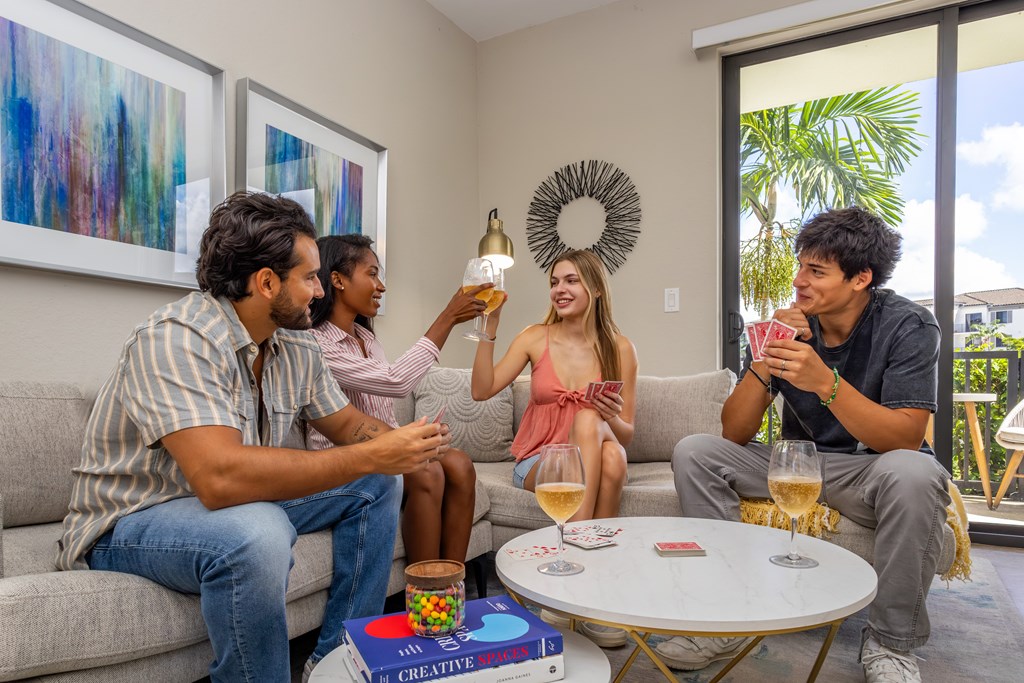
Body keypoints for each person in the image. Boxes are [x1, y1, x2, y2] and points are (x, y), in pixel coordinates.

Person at [56, 191, 450, 683]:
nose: (319, 291)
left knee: (379, 481)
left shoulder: (295, 341)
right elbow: (220, 479)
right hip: (131, 521)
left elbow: (348, 426)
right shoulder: (180, 337)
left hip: (226, 505)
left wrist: (405, 442)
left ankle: (336, 661)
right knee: (257, 533)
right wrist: (373, 453)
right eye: (309, 277)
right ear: (266, 282)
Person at [658, 206, 949, 683]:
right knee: (695, 450)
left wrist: (824, 382)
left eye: (816, 271)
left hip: (873, 471)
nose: (798, 280)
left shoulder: (909, 325)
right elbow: (733, 434)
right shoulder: (787, 329)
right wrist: (765, 360)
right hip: (797, 466)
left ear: (860, 278)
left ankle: (892, 645)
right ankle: (725, 613)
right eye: (800, 267)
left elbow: (905, 437)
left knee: (917, 473)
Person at [471, 248, 638, 648]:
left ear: (596, 288)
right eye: (554, 282)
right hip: (539, 461)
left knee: (609, 447)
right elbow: (480, 390)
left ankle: (574, 582)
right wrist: (488, 326)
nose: (559, 290)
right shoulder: (534, 337)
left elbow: (626, 433)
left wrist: (608, 414)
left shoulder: (621, 348)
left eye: (570, 280)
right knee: (598, 437)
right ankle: (586, 589)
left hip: (596, 455)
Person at [307, 234, 481, 564]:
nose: (381, 286)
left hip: (388, 446)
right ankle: (427, 594)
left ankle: (452, 584)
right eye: (372, 273)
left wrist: (421, 437)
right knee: (427, 472)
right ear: (338, 280)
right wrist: (448, 317)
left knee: (459, 464)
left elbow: (385, 413)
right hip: (347, 460)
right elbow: (396, 382)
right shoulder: (316, 345)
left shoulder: (367, 339)